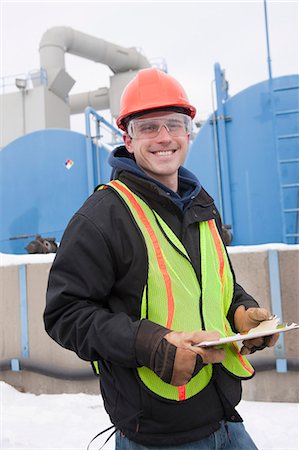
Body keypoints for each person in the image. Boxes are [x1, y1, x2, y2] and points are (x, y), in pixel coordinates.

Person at [44, 68, 278, 450]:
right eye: (149, 127)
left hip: (222, 414)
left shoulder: (202, 204)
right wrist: (150, 343)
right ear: (127, 138)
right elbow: (64, 315)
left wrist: (243, 313)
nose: (165, 137)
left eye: (175, 124)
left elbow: (217, 284)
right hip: (155, 432)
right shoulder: (102, 215)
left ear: (189, 132)